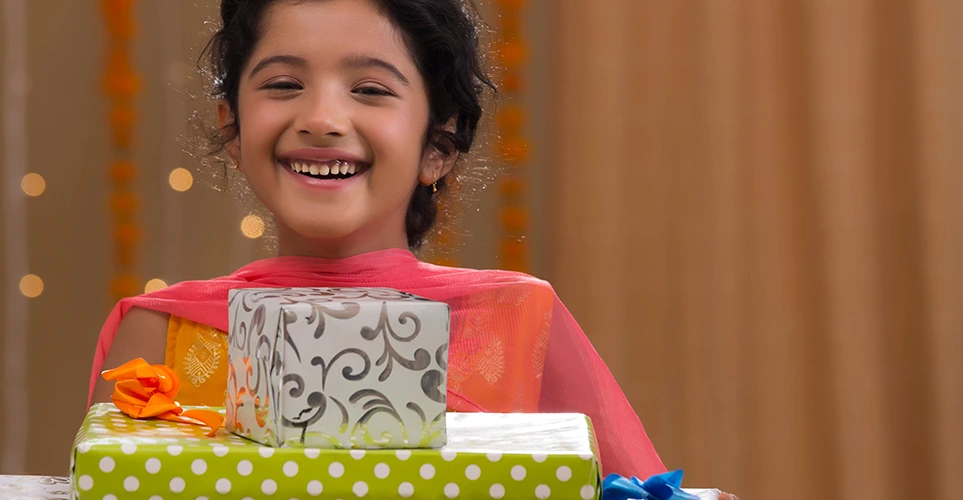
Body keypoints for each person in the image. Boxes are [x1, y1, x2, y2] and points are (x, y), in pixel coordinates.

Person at [88, 2, 731, 495]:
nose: (321, 117)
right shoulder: (156, 333)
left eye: (370, 89)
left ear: (438, 143)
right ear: (232, 125)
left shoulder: (519, 318)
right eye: (283, 84)